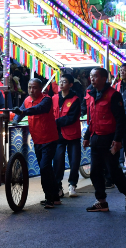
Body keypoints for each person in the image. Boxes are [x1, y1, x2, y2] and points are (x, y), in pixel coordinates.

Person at [82, 68, 126, 213]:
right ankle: (101, 201)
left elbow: (120, 120)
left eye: (95, 76)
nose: (92, 79)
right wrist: (87, 136)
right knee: (95, 172)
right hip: (96, 139)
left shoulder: (113, 95)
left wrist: (117, 140)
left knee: (113, 172)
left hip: (109, 140)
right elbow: (92, 119)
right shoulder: (91, 94)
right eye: (91, 76)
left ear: (104, 78)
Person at [13, 79, 60, 209]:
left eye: (34, 88)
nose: (31, 90)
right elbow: (20, 113)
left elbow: (38, 109)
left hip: (49, 139)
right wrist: (15, 120)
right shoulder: (27, 100)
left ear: (40, 89)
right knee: (46, 168)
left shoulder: (46, 100)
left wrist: (23, 112)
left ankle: (49, 198)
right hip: (37, 140)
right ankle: (55, 195)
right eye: (29, 87)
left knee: (44, 168)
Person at [52, 73, 82, 198]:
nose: (61, 83)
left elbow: (71, 118)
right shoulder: (54, 98)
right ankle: (58, 186)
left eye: (64, 82)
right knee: (58, 161)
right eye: (60, 81)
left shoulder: (75, 99)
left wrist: (55, 122)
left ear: (70, 85)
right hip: (58, 135)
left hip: (73, 135)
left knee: (74, 161)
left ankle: (72, 184)